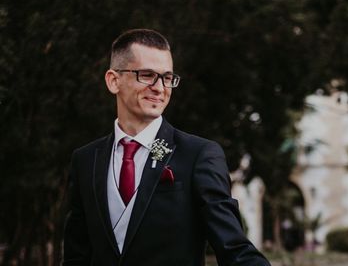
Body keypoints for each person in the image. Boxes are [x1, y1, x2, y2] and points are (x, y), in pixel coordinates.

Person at [63, 29, 271, 266]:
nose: (160, 88)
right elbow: (75, 256)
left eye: (167, 78)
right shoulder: (86, 160)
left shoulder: (198, 155)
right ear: (113, 81)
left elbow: (234, 248)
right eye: (147, 75)